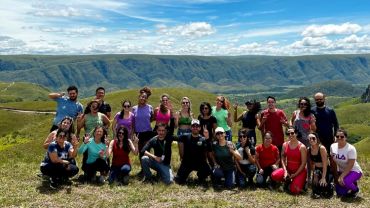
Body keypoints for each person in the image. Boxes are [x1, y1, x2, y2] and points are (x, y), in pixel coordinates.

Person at [175, 119, 212, 185]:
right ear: (190, 127)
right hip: (187, 163)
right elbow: (173, 137)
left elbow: (209, 150)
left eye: (197, 126)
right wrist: (175, 120)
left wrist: (207, 139)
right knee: (179, 181)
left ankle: (200, 176)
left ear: (200, 128)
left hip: (200, 163)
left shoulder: (203, 139)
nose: (195, 128)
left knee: (207, 171)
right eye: (193, 126)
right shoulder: (184, 136)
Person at [331, 129, 362, 198]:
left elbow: (350, 165)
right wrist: (336, 175)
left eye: (342, 136)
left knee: (345, 182)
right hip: (342, 171)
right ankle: (352, 183)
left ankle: (356, 190)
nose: (339, 138)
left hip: (354, 171)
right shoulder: (333, 146)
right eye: (337, 136)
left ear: (346, 138)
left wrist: (341, 176)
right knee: (340, 192)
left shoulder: (351, 149)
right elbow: (332, 161)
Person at [132, 87, 155, 171]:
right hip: (138, 133)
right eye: (141, 96)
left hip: (148, 132)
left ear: (147, 99)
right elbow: (132, 122)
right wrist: (133, 133)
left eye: (145, 97)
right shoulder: (134, 108)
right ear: (139, 97)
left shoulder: (150, 107)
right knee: (140, 152)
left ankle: (146, 169)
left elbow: (152, 118)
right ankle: (143, 170)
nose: (143, 98)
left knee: (146, 151)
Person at [280, 127, 307, 195]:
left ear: (296, 134)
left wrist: (295, 174)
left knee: (294, 190)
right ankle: (288, 181)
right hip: (289, 170)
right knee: (274, 175)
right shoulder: (285, 144)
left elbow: (303, 163)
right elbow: (282, 158)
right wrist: (285, 171)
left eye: (292, 133)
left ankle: (298, 182)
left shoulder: (302, 147)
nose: (290, 135)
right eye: (288, 133)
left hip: (299, 171)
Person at [308, 133, 333, 198]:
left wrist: (323, 177)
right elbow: (312, 164)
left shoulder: (321, 148)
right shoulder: (309, 149)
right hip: (317, 169)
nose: (311, 140)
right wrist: (315, 174)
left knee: (324, 186)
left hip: (326, 169)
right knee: (315, 186)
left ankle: (330, 184)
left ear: (317, 139)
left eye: (313, 138)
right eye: (309, 139)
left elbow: (325, 164)